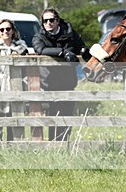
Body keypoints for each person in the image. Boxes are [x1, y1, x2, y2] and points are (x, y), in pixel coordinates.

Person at [32, 8, 89, 141]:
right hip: (49, 82)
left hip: (68, 80)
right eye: (45, 21)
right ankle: (54, 143)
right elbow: (40, 49)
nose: (48, 23)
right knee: (53, 115)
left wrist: (84, 51)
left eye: (51, 20)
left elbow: (80, 46)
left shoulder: (69, 33)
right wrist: (62, 52)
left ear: (57, 21)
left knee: (67, 114)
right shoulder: (39, 36)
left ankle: (66, 143)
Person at [0, 19, 29, 141]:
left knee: (14, 121)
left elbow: (27, 70)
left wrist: (26, 87)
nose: (5, 32)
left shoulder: (21, 48)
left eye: (8, 29)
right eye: (1, 29)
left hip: (15, 85)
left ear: (13, 30)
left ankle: (13, 148)